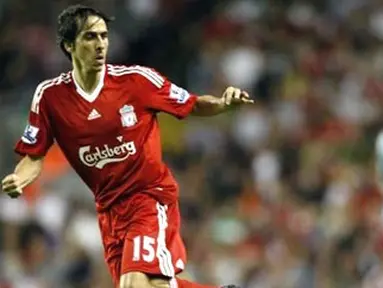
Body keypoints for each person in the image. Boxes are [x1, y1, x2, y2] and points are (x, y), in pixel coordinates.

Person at [1, 5, 253, 288]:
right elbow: (34, 155)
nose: (100, 44)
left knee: (133, 285)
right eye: (90, 37)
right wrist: (19, 179)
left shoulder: (136, 80)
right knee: (153, 285)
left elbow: (191, 103)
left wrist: (222, 104)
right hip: (109, 211)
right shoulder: (50, 97)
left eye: (103, 36)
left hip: (148, 197)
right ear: (68, 45)